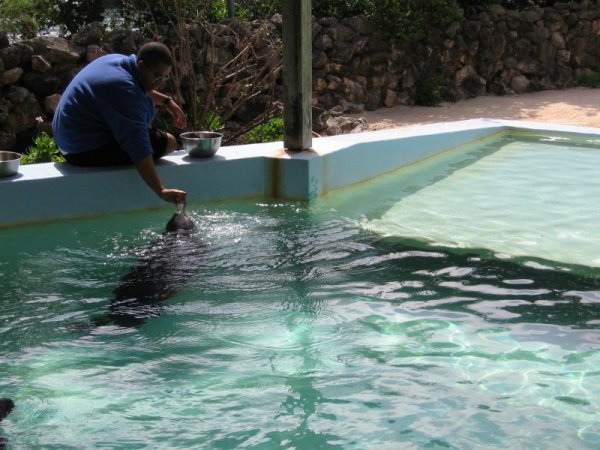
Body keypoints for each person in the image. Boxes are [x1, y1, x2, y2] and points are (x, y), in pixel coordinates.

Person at [52, 42, 187, 204]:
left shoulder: (118, 62)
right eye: (157, 76)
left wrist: (166, 101)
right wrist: (160, 190)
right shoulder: (124, 90)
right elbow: (138, 145)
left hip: (68, 136)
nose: (160, 82)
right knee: (169, 142)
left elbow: (141, 87)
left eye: (164, 77)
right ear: (141, 65)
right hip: (80, 150)